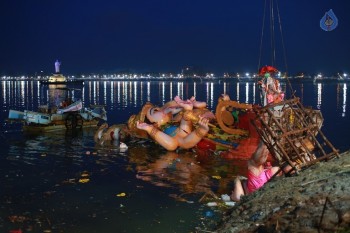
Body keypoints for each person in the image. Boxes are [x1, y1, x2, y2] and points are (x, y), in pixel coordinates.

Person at [128, 96, 215, 151]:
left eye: (157, 108)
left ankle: (189, 110)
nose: (159, 109)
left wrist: (183, 109)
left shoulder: (173, 120)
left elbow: (177, 114)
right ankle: (202, 129)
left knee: (186, 122)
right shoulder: (160, 129)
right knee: (173, 145)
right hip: (172, 138)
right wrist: (149, 128)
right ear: (154, 123)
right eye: (154, 111)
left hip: (181, 131)